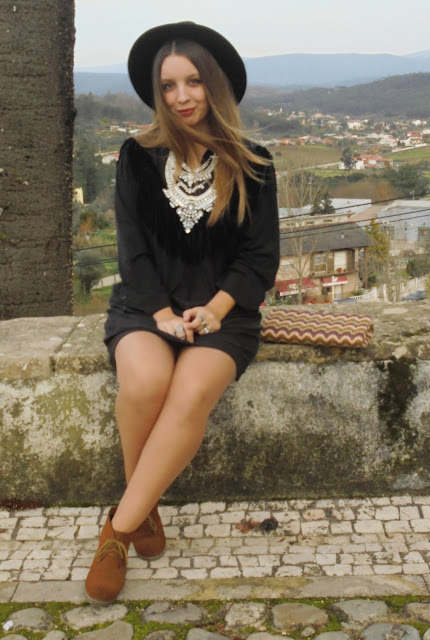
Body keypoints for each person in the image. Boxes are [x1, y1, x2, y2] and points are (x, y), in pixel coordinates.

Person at [85, 21, 280, 603]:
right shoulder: (137, 156)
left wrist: (216, 309)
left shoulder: (254, 162)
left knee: (191, 392)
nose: (181, 96)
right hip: (145, 305)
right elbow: (132, 249)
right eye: (168, 85)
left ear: (214, 84)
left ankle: (118, 530)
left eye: (193, 81)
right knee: (146, 381)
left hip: (226, 316)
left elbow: (259, 257)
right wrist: (161, 313)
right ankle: (145, 507)